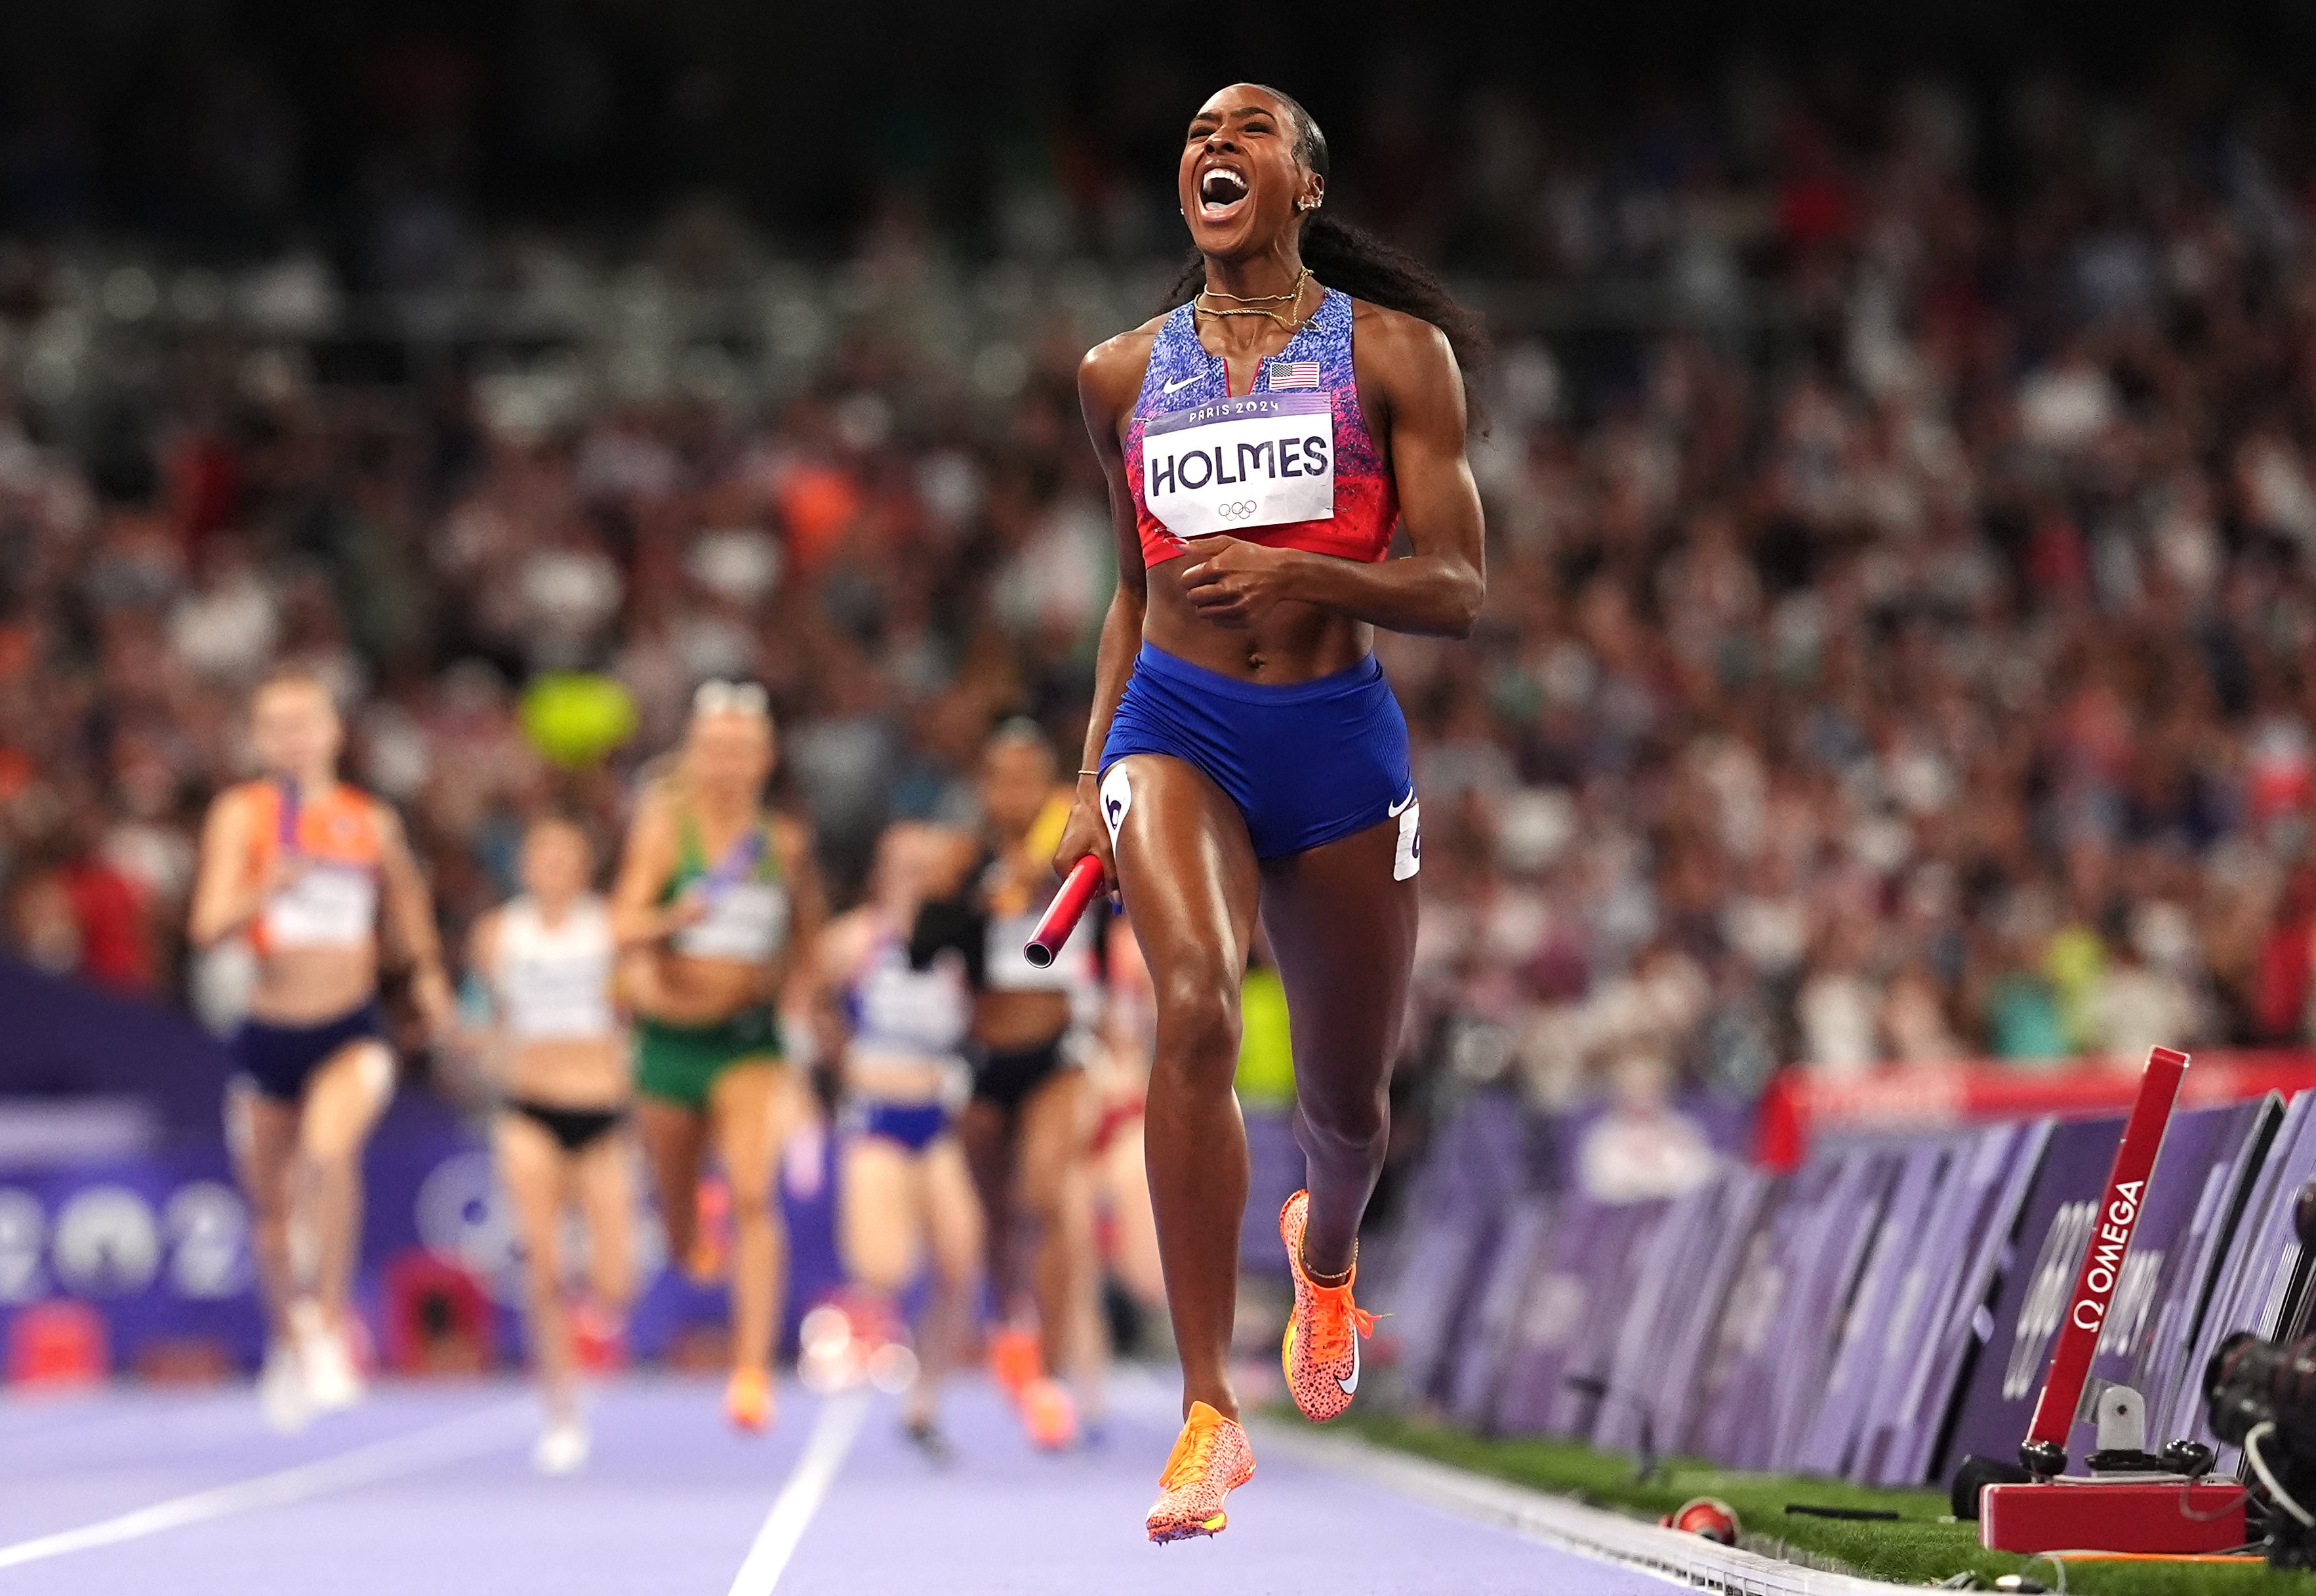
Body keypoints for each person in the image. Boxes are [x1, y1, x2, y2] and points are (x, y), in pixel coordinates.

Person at [1059, 83, 1486, 1542]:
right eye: (1191, 134)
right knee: (1190, 1008)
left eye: (1245, 133)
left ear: (1303, 182)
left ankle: (1325, 1257)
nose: (1210, 148)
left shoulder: (1392, 355)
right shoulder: (1120, 374)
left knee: (1348, 1106)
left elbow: (1459, 586)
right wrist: (1086, 772)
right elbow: (1130, 589)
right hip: (1176, 724)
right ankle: (1204, 1410)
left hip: (1334, 739)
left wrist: (1309, 577)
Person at [187, 670, 455, 1431]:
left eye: (305, 722)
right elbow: (206, 927)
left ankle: (330, 1323)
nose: (292, 739)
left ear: (334, 732)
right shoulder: (242, 815)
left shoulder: (369, 821)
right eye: (275, 726)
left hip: (349, 1027)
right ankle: (288, 1337)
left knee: (330, 1152)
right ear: (260, 740)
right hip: (269, 1030)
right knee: (270, 1217)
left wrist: (430, 975)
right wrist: (264, 887)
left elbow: (407, 909)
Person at [610, 681, 826, 1432]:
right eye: (716, 750)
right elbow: (623, 924)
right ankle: (688, 1222)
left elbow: (807, 944)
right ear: (695, 755)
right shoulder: (666, 830)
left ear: (764, 758)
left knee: (755, 1194)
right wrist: (678, 914)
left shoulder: (783, 842)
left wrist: (802, 1006)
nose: (729, 763)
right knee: (677, 1225)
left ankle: (750, 1371)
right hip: (670, 1044)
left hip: (749, 1044)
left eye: (743, 750)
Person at [910, 722, 1103, 1448]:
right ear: (986, 789)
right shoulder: (969, 858)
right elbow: (920, 949)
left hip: (1058, 1051)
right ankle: (1012, 1325)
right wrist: (971, 897)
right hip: (985, 1061)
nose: (1015, 793)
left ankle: (1052, 1374)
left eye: (1028, 778)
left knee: (1045, 1197)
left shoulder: (1084, 848)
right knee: (997, 1218)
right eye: (1001, 779)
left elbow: (1124, 921)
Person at [466, 815, 632, 1474]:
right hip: (529, 1109)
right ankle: (561, 1412)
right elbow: (486, 1014)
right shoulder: (498, 934)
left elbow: (635, 1009)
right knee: (542, 1267)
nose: (552, 868)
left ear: (583, 866)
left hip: (600, 1110)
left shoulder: (611, 927)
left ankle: (597, 1327)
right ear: (524, 865)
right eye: (541, 856)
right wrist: (486, 1050)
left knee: (614, 1277)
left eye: (565, 856)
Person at [817, 822, 983, 1460]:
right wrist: (836, 1068)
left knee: (960, 1262)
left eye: (927, 864)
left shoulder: (960, 943)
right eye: (903, 864)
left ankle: (925, 1404)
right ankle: (855, 1375)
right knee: (885, 1267)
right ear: (881, 874)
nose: (916, 875)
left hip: (938, 1116)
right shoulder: (854, 941)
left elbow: (988, 1013)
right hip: (877, 1115)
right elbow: (808, 1006)